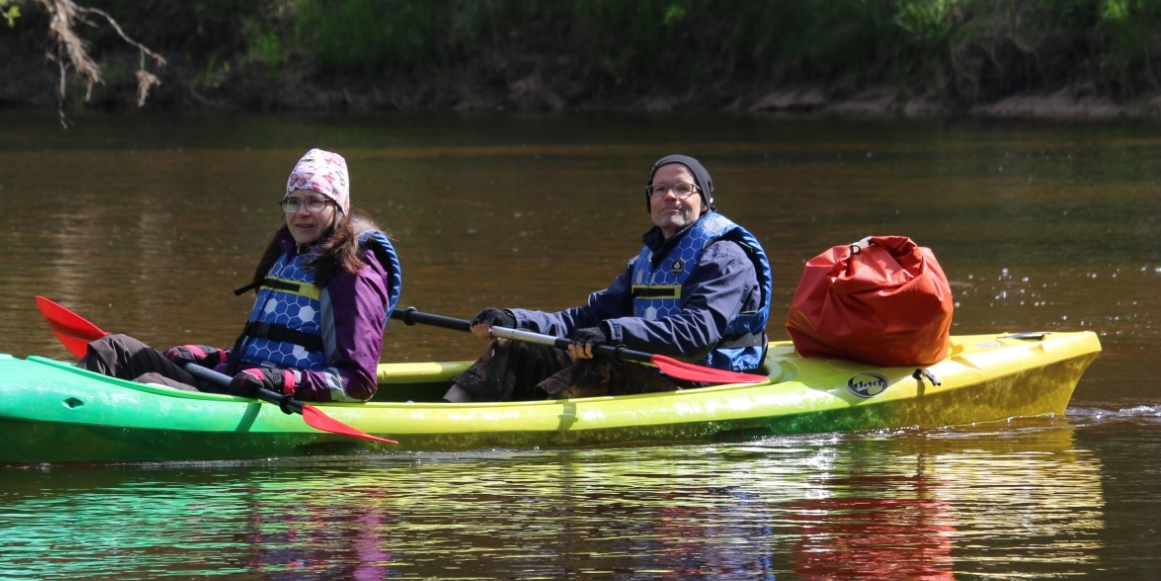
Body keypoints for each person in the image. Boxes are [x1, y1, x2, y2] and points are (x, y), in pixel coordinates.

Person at [80, 148, 403, 402]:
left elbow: (357, 382)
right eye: (293, 202)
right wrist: (213, 356)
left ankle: (88, 423)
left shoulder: (352, 272)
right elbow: (269, 347)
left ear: (338, 207)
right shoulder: (291, 254)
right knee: (115, 348)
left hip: (272, 401)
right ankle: (65, 407)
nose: (301, 212)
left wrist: (282, 381)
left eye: (315, 201)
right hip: (235, 383)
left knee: (149, 385)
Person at [446, 154, 772, 402]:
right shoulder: (644, 262)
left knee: (600, 361)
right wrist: (514, 320)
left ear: (704, 202)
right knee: (517, 346)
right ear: (650, 201)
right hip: (651, 369)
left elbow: (696, 334)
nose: (670, 196)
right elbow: (588, 318)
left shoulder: (726, 257)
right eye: (660, 189)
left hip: (703, 380)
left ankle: (521, 434)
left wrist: (614, 332)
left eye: (683, 188)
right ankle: (450, 415)